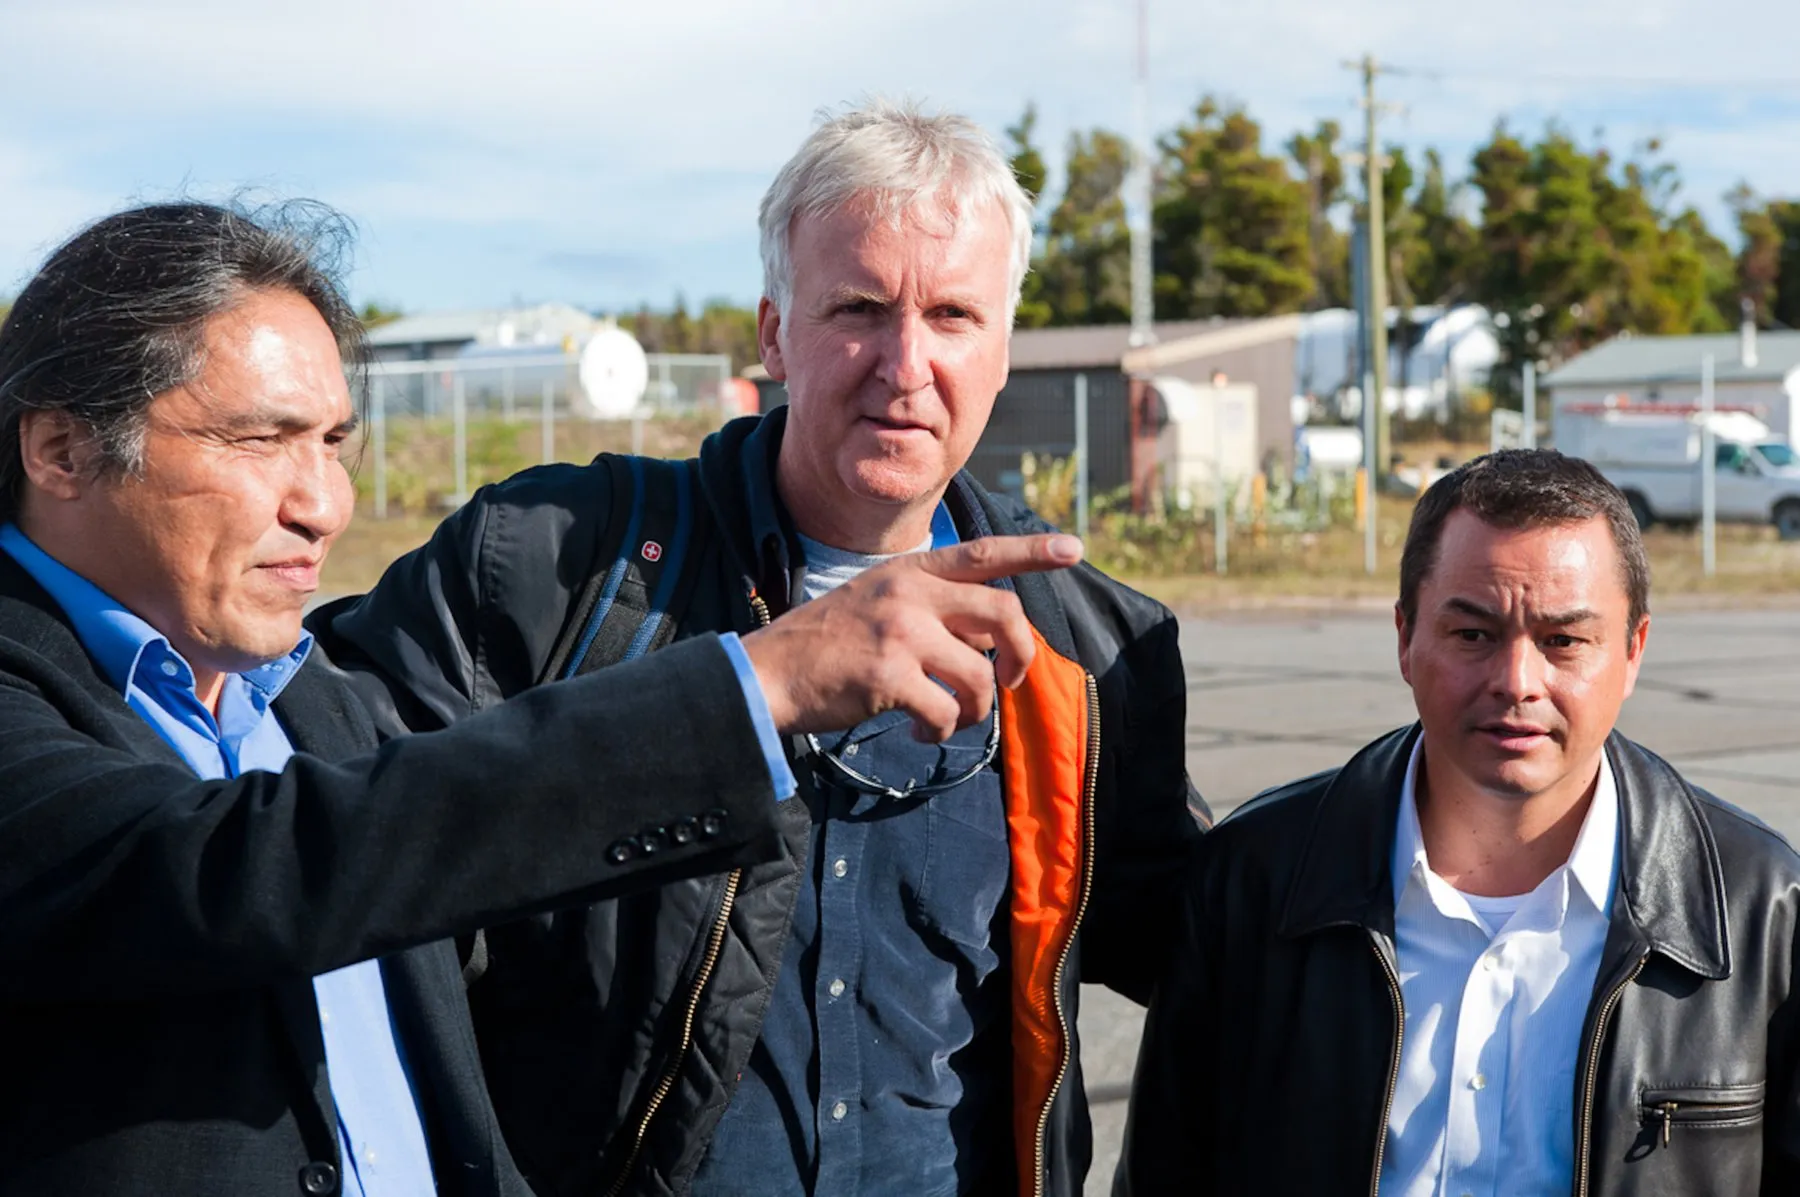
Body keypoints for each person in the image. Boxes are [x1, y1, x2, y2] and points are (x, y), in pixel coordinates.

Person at [0, 199, 1074, 1197]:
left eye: (331, 442)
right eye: (262, 439)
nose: (322, 504)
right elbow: (250, 865)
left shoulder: (300, 699)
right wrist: (760, 683)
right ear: (61, 450)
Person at [317, 98, 1207, 1197]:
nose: (905, 362)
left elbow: (1216, 952)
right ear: (774, 332)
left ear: (1004, 347)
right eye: (859, 307)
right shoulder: (557, 573)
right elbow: (306, 815)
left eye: (954, 316)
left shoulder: (1093, 655)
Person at [1119, 449, 1800, 1195]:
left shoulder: (1763, 908)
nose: (1516, 682)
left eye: (1563, 640)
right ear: (1405, 637)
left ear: (1633, 650)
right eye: (1473, 635)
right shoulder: (1249, 884)